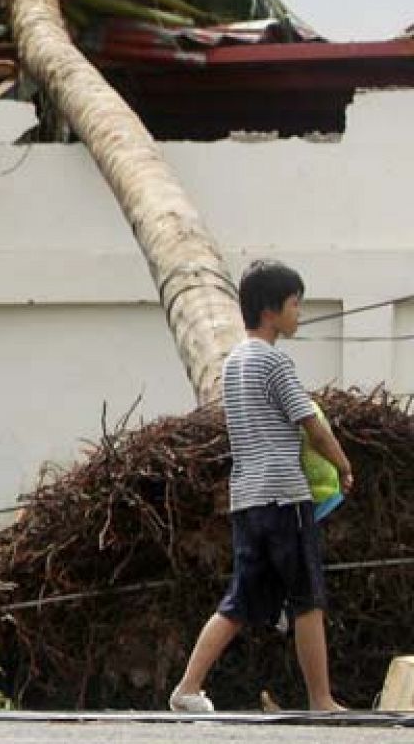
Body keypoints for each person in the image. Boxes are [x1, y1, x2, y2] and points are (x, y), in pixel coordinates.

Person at [169, 260, 353, 713]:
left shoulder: (234, 364)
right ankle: (321, 700)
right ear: (271, 310)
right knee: (308, 599)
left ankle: (187, 689)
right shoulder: (274, 361)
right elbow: (311, 424)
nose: (299, 313)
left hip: (247, 498)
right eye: (295, 304)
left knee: (240, 599)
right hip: (284, 495)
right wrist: (344, 466)